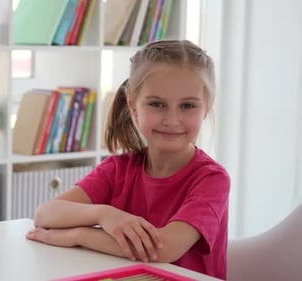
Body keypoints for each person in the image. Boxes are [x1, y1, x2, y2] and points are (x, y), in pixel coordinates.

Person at [26, 40, 230, 280]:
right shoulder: (118, 169)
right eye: (157, 104)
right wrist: (104, 215)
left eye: (187, 106)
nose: (172, 119)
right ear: (133, 104)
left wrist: (78, 236)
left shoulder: (212, 179)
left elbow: (163, 248)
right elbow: (45, 215)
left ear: (206, 107)